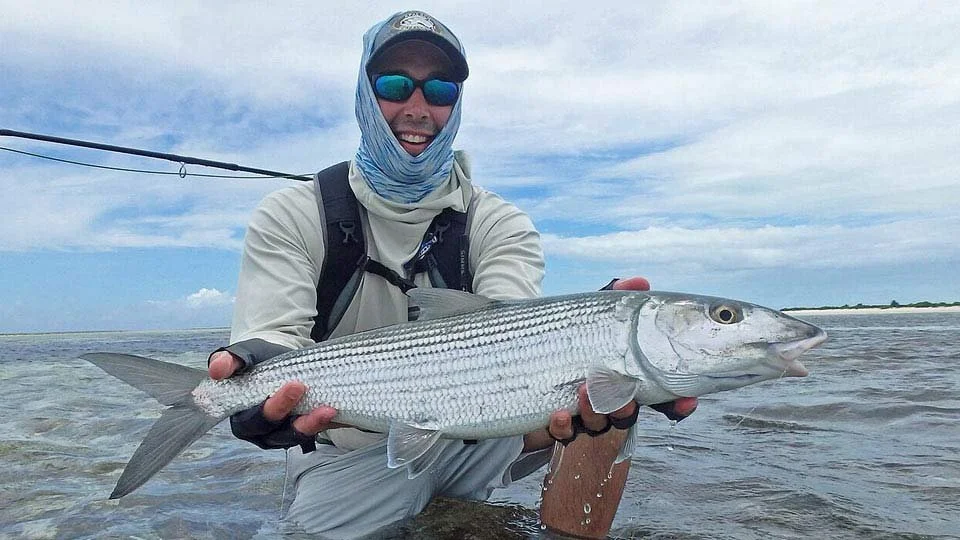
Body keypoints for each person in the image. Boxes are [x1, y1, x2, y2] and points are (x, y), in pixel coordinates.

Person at [207, 10, 695, 538]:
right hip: (349, 447)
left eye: (439, 90)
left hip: (483, 432)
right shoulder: (291, 214)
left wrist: (588, 330)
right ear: (363, 97)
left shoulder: (500, 222)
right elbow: (273, 335)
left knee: (612, 395)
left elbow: (513, 329)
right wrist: (250, 386)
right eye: (395, 85)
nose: (417, 109)